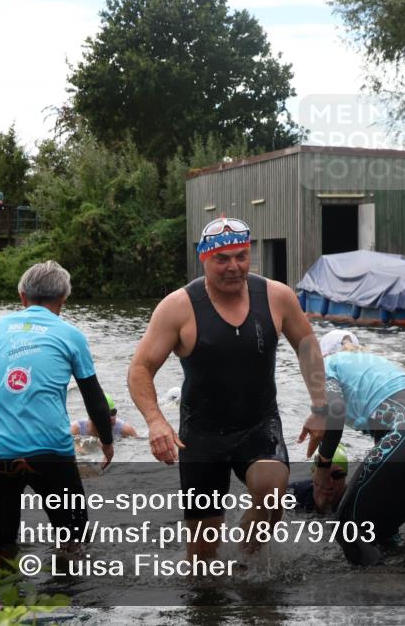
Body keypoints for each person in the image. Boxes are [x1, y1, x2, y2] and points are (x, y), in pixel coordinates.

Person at [128, 216, 328, 561]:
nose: (233, 267)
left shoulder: (277, 296)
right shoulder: (178, 307)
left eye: (241, 256)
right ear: (204, 258)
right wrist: (156, 421)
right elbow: (140, 369)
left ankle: (249, 569)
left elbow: (308, 346)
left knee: (271, 495)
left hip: (258, 425)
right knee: (202, 556)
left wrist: (320, 406)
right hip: (201, 435)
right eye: (222, 259)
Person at [0, 260, 113, 557]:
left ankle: (2, 603)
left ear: (22, 296)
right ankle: (70, 596)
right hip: (51, 451)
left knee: (0, 547)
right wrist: (106, 442)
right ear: (63, 300)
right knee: (74, 541)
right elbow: (95, 399)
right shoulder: (70, 335)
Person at [314, 329, 405, 566]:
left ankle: (379, 594)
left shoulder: (328, 364)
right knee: (382, 529)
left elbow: (335, 412)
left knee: (346, 527)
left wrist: (323, 465)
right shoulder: (376, 366)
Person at [287, 444, 348, 514]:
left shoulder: (355, 499)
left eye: (337, 475)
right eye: (323, 474)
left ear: (345, 476)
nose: (329, 481)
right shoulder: (294, 494)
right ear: (313, 473)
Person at [71, 394, 138, 439]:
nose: (112, 418)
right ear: (92, 416)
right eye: (106, 414)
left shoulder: (126, 430)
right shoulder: (76, 429)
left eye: (113, 412)